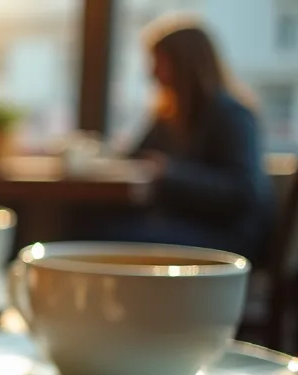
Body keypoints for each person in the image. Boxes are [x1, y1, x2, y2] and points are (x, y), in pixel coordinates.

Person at [113, 20, 274, 259]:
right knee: (98, 227)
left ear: (185, 63)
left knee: (109, 236)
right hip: (184, 225)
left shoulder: (232, 115)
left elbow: (242, 192)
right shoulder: (169, 116)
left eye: (159, 61)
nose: (152, 72)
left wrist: (168, 172)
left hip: (226, 238)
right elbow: (134, 156)